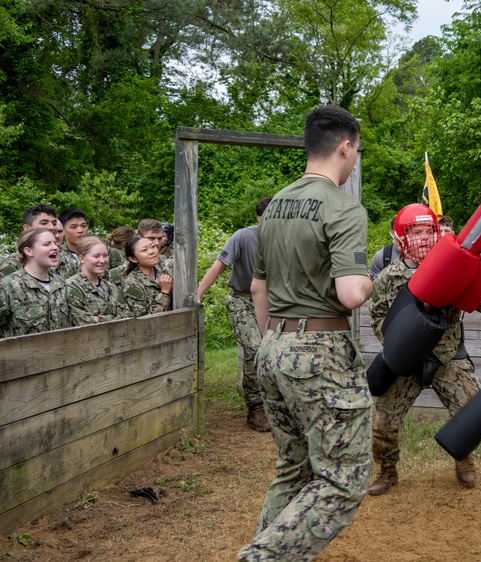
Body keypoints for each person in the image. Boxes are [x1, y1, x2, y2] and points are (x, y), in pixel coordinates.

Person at [239, 105, 371, 562]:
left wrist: (274, 345)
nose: (354, 158)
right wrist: (377, 276)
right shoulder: (343, 207)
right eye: (356, 150)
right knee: (341, 479)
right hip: (321, 352)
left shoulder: (275, 204)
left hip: (272, 346)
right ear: (344, 147)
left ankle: (264, 546)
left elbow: (258, 287)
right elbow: (352, 293)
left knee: (293, 469)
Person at [368, 204, 481, 496]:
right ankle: (387, 470)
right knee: (382, 426)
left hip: (447, 355)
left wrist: (473, 276)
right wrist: (401, 344)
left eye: (427, 231)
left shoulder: (453, 265)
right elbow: (377, 319)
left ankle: (464, 458)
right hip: (406, 361)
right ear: (399, 239)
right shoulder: (388, 277)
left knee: (471, 414)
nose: (422, 238)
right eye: (414, 232)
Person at [196, 197, 273, 432]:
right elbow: (219, 265)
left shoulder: (288, 238)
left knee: (276, 351)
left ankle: (277, 405)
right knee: (254, 348)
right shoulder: (243, 236)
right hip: (243, 300)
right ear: (259, 218)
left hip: (274, 303)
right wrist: (197, 295)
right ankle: (256, 408)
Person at [0, 228, 73, 337]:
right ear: (29, 251)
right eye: (47, 244)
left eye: (54, 243)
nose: (55, 247)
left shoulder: (62, 284)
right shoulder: (9, 285)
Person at [66, 236, 129, 324]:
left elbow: (127, 316)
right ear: (81, 259)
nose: (102, 260)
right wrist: (109, 318)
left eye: (105, 255)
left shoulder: (110, 287)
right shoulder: (72, 287)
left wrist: (98, 318)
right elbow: (82, 321)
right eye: (96, 256)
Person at [121, 237, 173, 316]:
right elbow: (145, 319)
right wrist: (164, 292)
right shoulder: (132, 284)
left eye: (153, 247)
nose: (152, 252)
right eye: (144, 250)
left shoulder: (164, 271)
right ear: (133, 259)